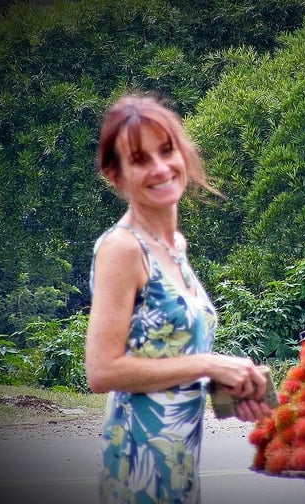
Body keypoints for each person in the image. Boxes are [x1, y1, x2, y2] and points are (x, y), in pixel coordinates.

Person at [84, 93, 272, 504]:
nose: (160, 167)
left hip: (178, 468)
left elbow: (165, 356)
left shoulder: (174, 247)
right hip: (138, 471)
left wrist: (226, 386)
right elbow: (101, 370)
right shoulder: (122, 248)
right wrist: (209, 363)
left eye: (167, 150)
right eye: (139, 159)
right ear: (116, 176)